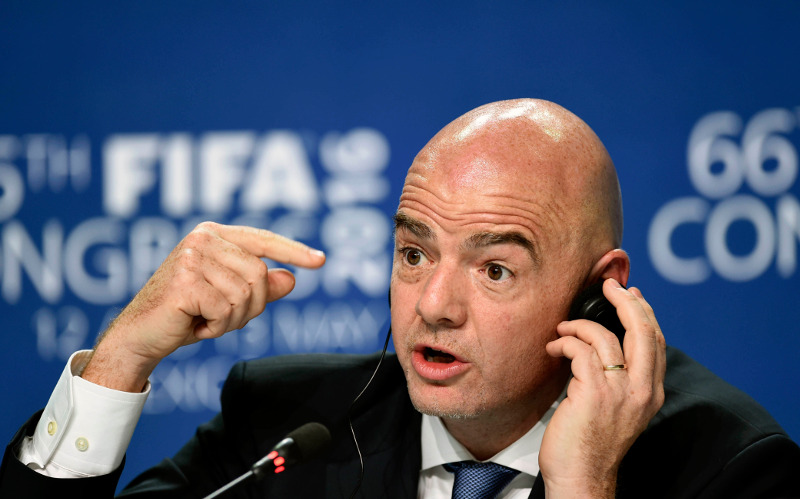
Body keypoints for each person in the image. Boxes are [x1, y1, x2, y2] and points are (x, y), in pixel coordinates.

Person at [2, 99, 799, 498]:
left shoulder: (728, 467)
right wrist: (120, 357)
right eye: (414, 252)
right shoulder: (285, 429)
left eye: (494, 270)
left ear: (601, 291)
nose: (434, 304)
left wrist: (583, 489)